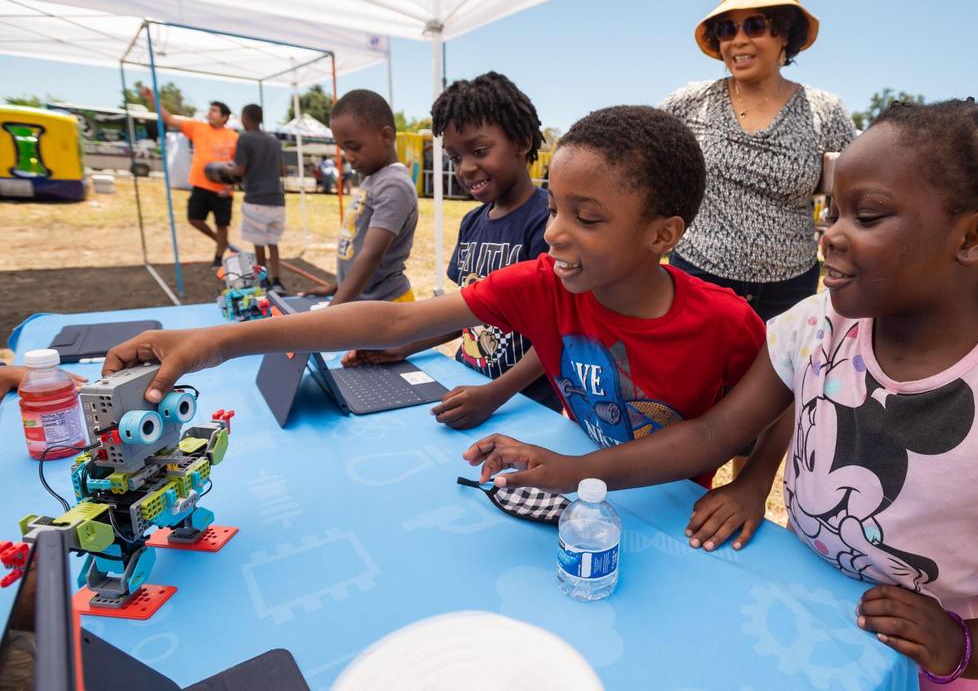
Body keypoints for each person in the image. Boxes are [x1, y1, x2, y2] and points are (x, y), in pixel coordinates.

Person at [464, 100, 978, 688]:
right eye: (834, 210)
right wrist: (578, 472)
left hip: (921, 668)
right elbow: (711, 435)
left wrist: (967, 646)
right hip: (798, 617)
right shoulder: (817, 328)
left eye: (867, 215)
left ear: (977, 234)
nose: (832, 235)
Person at [101, 106, 766, 490]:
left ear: (663, 234)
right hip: (589, 492)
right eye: (556, 206)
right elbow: (397, 318)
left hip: (665, 507)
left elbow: (764, 414)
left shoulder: (728, 321)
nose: (556, 230)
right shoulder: (546, 282)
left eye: (586, 218)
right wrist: (218, 341)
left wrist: (752, 486)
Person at [363, 72, 562, 428]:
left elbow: (559, 333)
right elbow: (467, 312)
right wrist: (406, 346)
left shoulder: (546, 222)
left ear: (521, 141)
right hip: (470, 385)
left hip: (525, 406)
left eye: (480, 151)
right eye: (455, 157)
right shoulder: (472, 222)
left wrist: (496, 393)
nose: (466, 168)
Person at [661, 0, 855, 321]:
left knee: (779, 379)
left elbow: (857, 194)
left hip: (790, 292)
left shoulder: (824, 110)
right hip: (698, 279)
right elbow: (639, 163)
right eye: (726, 29)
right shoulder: (688, 102)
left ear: (785, 33)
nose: (738, 41)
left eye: (754, 26)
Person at [301, 90, 418, 310]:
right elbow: (358, 245)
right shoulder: (375, 179)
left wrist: (332, 310)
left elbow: (372, 255)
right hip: (363, 303)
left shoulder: (394, 185)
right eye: (342, 148)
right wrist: (337, 286)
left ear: (386, 136)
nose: (348, 156)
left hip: (385, 306)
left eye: (353, 147)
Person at [138, 86, 238, 267]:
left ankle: (218, 257)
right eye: (210, 110)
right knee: (194, 219)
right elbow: (168, 119)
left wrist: (229, 186)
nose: (211, 114)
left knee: (222, 224)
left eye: (215, 111)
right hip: (201, 185)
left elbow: (239, 165)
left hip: (223, 190)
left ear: (224, 117)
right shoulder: (197, 127)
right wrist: (152, 98)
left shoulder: (233, 136)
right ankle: (220, 242)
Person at [232, 103, 287, 294]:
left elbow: (239, 169)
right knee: (273, 243)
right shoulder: (273, 141)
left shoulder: (244, 138)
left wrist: (225, 170)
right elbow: (281, 170)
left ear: (245, 119)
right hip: (277, 200)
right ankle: (278, 281)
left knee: (259, 243)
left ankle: (263, 282)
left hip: (256, 199)